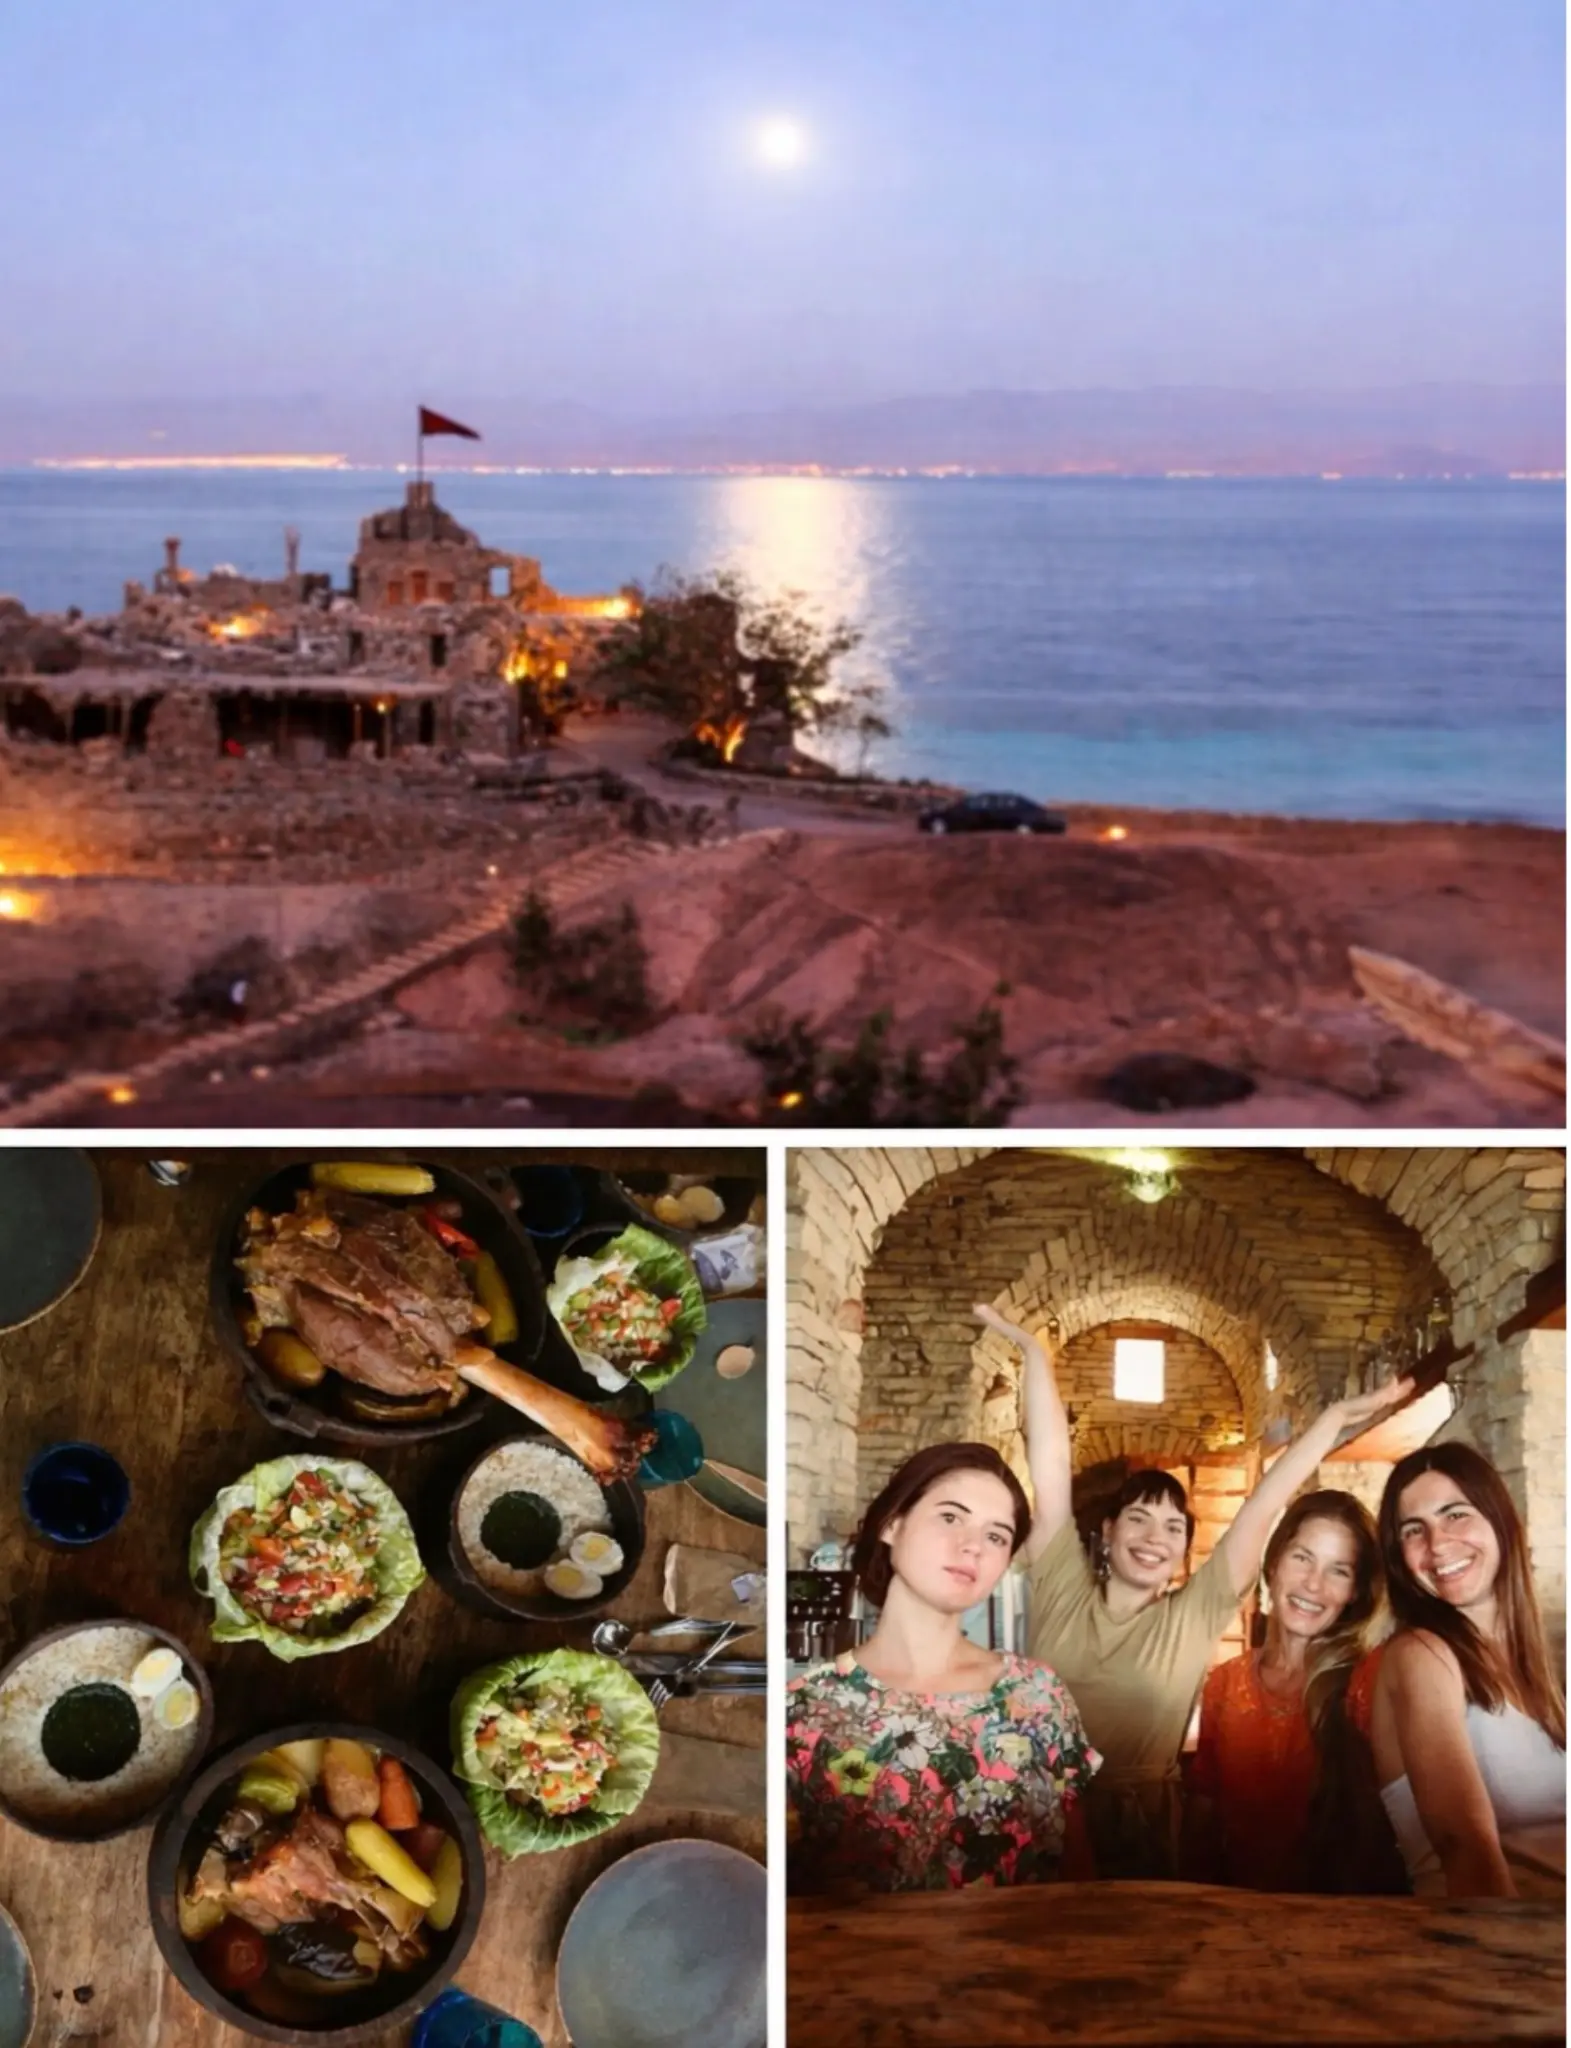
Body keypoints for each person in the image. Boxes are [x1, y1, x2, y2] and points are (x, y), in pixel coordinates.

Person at [975, 1301, 1411, 1878]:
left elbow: (1263, 1505)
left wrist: (1331, 1422)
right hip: (1036, 1815)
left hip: (1139, 1838)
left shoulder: (1193, 1616)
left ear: (1184, 1550)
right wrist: (1034, 1352)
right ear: (1107, 1531)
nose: (1154, 1537)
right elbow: (1051, 1458)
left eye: (1174, 1526)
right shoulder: (1060, 1586)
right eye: (1138, 1518)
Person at [786, 1442, 1102, 1893]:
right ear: (893, 1523)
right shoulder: (805, 1709)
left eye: (996, 1536)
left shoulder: (1038, 1694)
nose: (972, 1546)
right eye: (951, 1517)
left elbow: (1078, 1870)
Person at [1369, 1442, 1565, 1898]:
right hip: (1503, 1950)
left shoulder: (1535, 1666)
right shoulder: (1421, 1654)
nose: (1438, 1545)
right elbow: (1465, 1851)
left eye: (1455, 1514)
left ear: (1498, 1518)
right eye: (1414, 1530)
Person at [1183, 1489, 1402, 1892]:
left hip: (1335, 1920)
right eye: (1302, 1558)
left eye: (1339, 1570)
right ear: (1275, 1564)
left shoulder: (1368, 1683)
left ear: (1355, 1590)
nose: (1313, 1585)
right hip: (1236, 1913)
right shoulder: (1225, 1682)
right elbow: (1204, 1807)